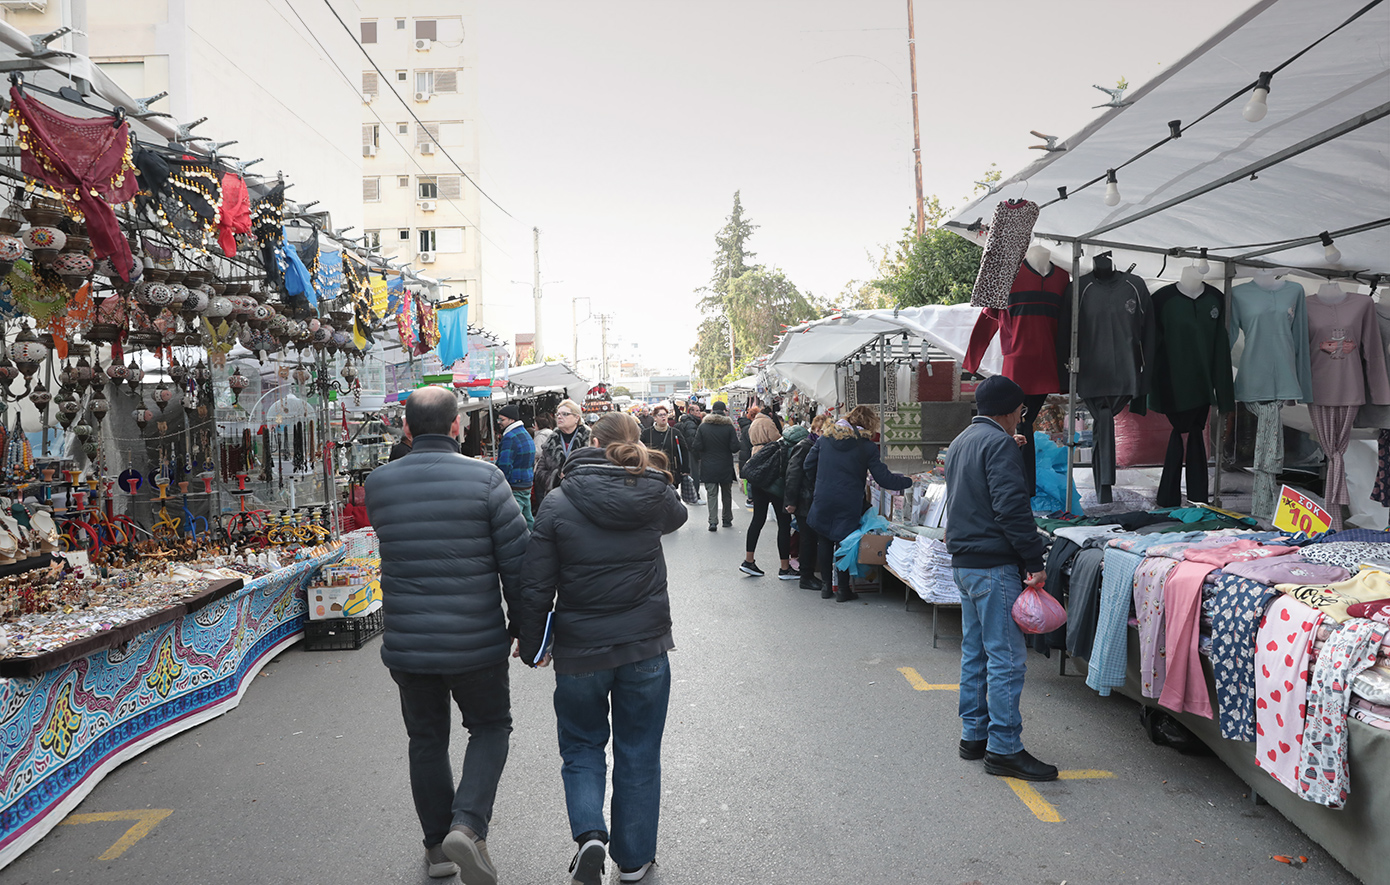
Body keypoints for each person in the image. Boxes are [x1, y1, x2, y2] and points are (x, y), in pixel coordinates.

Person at [364, 386, 530, 884]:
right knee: (490, 727)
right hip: (476, 641)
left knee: (426, 739)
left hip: (409, 644)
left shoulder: (380, 484)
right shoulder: (487, 479)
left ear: (407, 429)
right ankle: (468, 824)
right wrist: (524, 626)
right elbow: (517, 565)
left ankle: (438, 848)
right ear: (458, 426)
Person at [517, 413, 687, 885]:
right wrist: (648, 469)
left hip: (580, 651)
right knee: (638, 751)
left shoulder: (558, 499)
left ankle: (590, 835)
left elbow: (535, 585)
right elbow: (678, 516)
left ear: (591, 441)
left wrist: (532, 646)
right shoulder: (653, 490)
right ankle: (633, 861)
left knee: (582, 746)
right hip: (645, 646)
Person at [944, 374, 1055, 783]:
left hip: (965, 563)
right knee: (1006, 657)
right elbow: (1011, 507)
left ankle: (973, 736)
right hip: (993, 563)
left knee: (976, 651)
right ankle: (1004, 747)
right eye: (1021, 412)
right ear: (1010, 411)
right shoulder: (999, 443)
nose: (1020, 419)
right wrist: (1033, 559)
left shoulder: (961, 442)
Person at [803, 405, 912, 602]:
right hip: (848, 500)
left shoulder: (825, 439)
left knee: (825, 540)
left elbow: (807, 465)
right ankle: (843, 590)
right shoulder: (866, 447)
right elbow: (884, 479)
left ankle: (826, 587)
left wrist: (820, 484)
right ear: (869, 424)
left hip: (824, 497)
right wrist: (909, 481)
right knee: (844, 542)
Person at [740, 408, 798, 579]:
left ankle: (748, 561)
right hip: (772, 477)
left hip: (758, 475)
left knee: (757, 519)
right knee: (784, 522)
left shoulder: (753, 424)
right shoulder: (770, 426)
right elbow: (778, 440)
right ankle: (784, 568)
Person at [783, 414, 826, 592]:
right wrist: (791, 502)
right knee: (808, 538)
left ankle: (808, 574)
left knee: (811, 538)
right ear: (816, 429)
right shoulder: (805, 447)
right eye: (823, 431)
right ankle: (806, 576)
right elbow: (793, 475)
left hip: (811, 499)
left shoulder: (816, 446)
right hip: (804, 500)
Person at [534, 399, 591, 512]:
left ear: (577, 418)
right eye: (558, 414)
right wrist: (555, 477)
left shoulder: (589, 439)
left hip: (583, 499)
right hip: (556, 498)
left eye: (565, 414)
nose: (559, 417)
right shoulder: (551, 441)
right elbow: (539, 472)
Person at [690, 400, 740, 531]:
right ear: (724, 411)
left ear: (712, 411)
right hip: (725, 465)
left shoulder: (703, 427)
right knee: (726, 493)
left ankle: (713, 522)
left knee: (711, 494)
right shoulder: (729, 427)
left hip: (709, 465)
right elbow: (735, 447)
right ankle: (727, 519)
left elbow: (696, 446)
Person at [496, 404, 537, 530]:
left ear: (511, 420)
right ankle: (536, 541)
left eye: (502, 420)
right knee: (528, 518)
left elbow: (505, 465)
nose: (499, 423)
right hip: (527, 482)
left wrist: (500, 484)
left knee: (513, 521)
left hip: (515, 484)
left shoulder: (510, 437)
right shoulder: (524, 433)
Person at [639, 403, 686, 487]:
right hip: (653, 471)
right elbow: (639, 449)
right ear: (655, 418)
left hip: (672, 471)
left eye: (665, 414)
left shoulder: (675, 432)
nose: (663, 417)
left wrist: (685, 469)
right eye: (660, 415)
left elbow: (684, 450)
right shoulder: (647, 433)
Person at [676, 402, 704, 501]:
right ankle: (695, 496)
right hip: (691, 452)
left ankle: (692, 495)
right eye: (696, 411)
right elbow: (692, 440)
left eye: (699, 411)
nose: (699, 413)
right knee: (694, 474)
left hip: (687, 452)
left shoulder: (687, 422)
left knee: (691, 474)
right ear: (691, 411)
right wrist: (697, 454)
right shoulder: (691, 423)